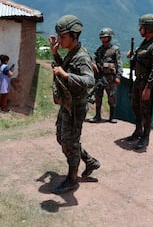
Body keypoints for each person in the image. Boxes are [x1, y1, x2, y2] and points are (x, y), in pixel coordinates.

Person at [49, 15, 101, 194]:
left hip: (76, 107)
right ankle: (90, 161)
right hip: (67, 104)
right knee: (62, 138)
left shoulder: (81, 57)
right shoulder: (71, 54)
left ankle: (72, 179)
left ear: (74, 36)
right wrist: (55, 54)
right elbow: (60, 69)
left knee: (70, 142)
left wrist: (65, 75)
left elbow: (89, 80)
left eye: (62, 37)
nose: (60, 40)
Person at [125, 14, 153, 150]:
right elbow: (141, 54)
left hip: (147, 84)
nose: (139, 29)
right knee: (135, 107)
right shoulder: (146, 42)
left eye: (141, 27)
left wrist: (148, 89)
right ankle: (138, 131)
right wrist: (133, 53)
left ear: (148, 28)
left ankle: (145, 137)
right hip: (138, 81)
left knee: (146, 111)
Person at [87, 27, 123, 123]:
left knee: (111, 97)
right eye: (102, 37)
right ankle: (97, 116)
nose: (103, 39)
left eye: (105, 37)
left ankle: (112, 117)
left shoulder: (115, 50)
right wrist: (93, 64)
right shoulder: (99, 50)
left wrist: (118, 76)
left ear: (110, 38)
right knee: (98, 96)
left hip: (110, 78)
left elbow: (119, 64)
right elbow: (93, 58)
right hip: (100, 77)